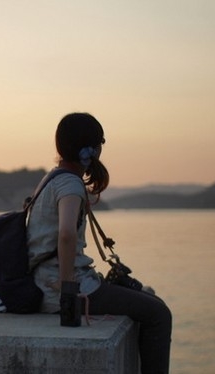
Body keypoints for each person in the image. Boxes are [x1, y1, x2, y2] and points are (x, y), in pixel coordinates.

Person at [27, 112, 172, 373]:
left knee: (150, 303)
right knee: (159, 315)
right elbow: (67, 233)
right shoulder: (70, 184)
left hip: (45, 281)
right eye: (99, 144)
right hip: (63, 290)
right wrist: (66, 283)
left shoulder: (53, 178)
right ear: (91, 150)